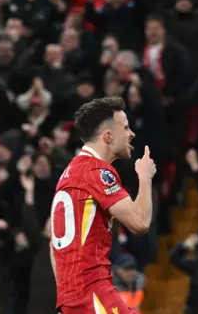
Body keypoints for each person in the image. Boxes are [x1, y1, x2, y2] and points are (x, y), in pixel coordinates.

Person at [49, 97, 156, 314]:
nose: (131, 133)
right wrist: (145, 177)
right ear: (108, 137)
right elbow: (140, 223)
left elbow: (55, 246)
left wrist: (69, 295)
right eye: (125, 127)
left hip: (72, 298)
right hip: (92, 293)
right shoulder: (97, 172)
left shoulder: (69, 173)